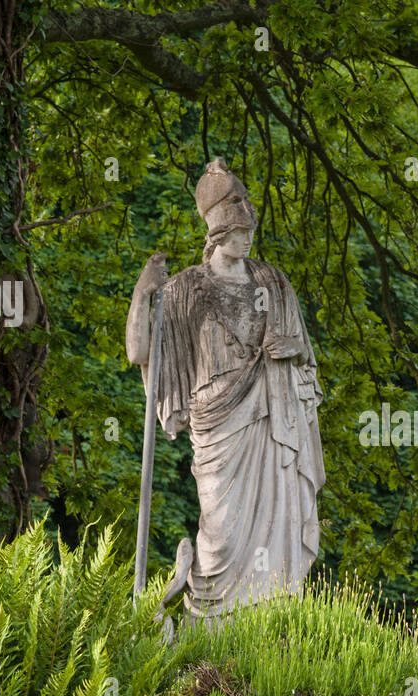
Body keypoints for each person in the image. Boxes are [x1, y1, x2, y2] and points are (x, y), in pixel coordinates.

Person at [127, 157, 325, 613]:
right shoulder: (184, 290)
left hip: (274, 421)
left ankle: (272, 615)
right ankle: (209, 620)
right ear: (217, 233)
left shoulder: (273, 283)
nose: (247, 240)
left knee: (278, 520)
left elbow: (305, 358)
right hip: (218, 428)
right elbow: (140, 353)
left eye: (250, 232)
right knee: (221, 533)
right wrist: (143, 293)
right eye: (239, 233)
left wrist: (294, 349)